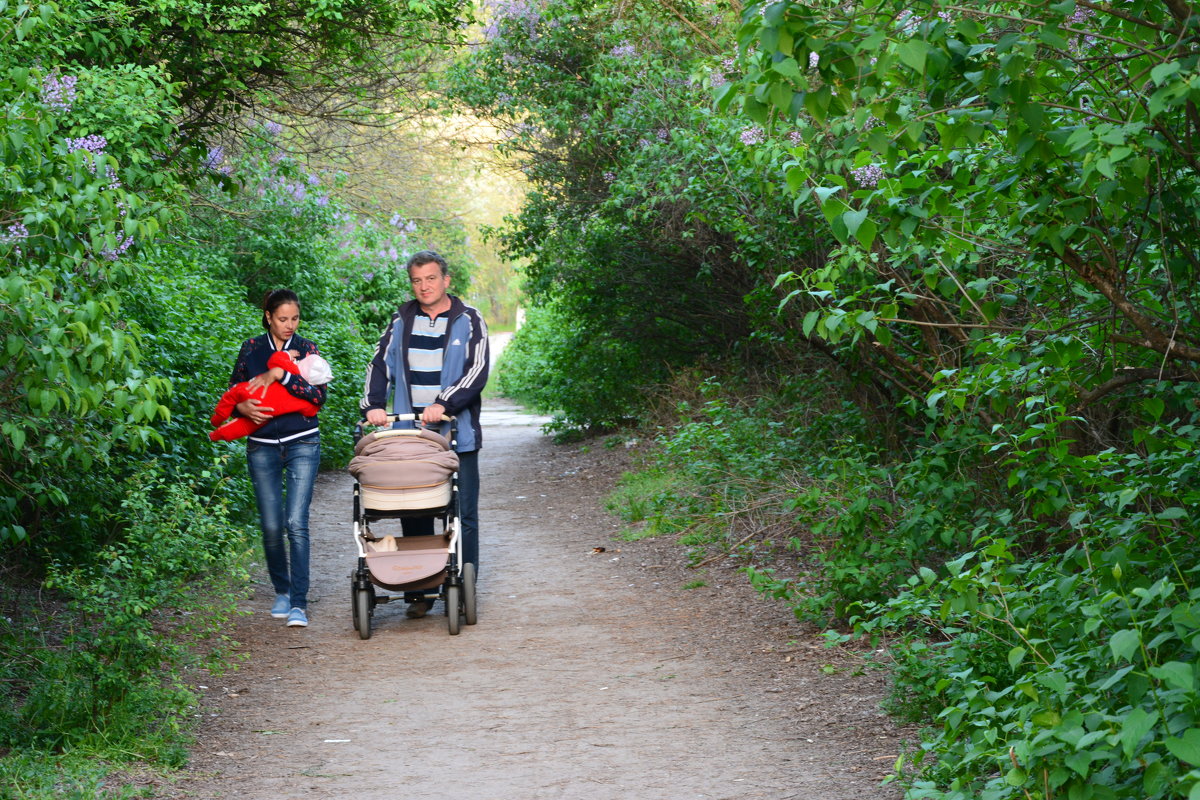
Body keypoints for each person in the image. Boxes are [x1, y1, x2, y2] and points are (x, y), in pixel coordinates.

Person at [361, 250, 489, 619]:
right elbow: (378, 364)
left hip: (456, 431)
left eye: (431, 278)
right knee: (416, 510)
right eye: (417, 280)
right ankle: (421, 589)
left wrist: (444, 402)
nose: (424, 286)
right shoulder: (401, 321)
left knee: (463, 512)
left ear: (446, 280)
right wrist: (372, 404)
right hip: (410, 434)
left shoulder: (469, 319)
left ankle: (464, 586)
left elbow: (477, 370)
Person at [226, 289, 326, 628]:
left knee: (295, 523)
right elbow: (234, 392)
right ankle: (281, 591)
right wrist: (241, 406)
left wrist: (285, 375)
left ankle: (299, 603)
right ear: (268, 316)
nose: (289, 325)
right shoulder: (252, 349)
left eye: (295, 319)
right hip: (261, 445)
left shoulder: (308, 349)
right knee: (270, 526)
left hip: (303, 443)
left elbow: (318, 396)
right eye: (283, 319)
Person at [209, 349, 332, 441]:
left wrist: (287, 354)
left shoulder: (292, 369)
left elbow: (275, 360)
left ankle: (218, 418)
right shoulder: (307, 399)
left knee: (230, 396)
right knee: (245, 427)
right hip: (266, 414)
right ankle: (217, 435)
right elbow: (311, 410)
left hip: (251, 391)